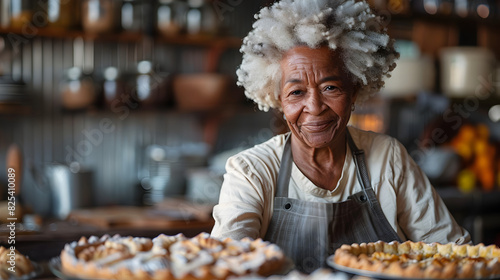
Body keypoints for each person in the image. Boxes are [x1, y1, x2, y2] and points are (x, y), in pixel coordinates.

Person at [210, 0, 471, 273]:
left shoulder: (388, 158)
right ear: (279, 100)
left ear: (354, 91)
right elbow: (230, 264)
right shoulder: (251, 171)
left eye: (330, 87)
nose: (314, 107)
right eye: (296, 92)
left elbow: (452, 253)